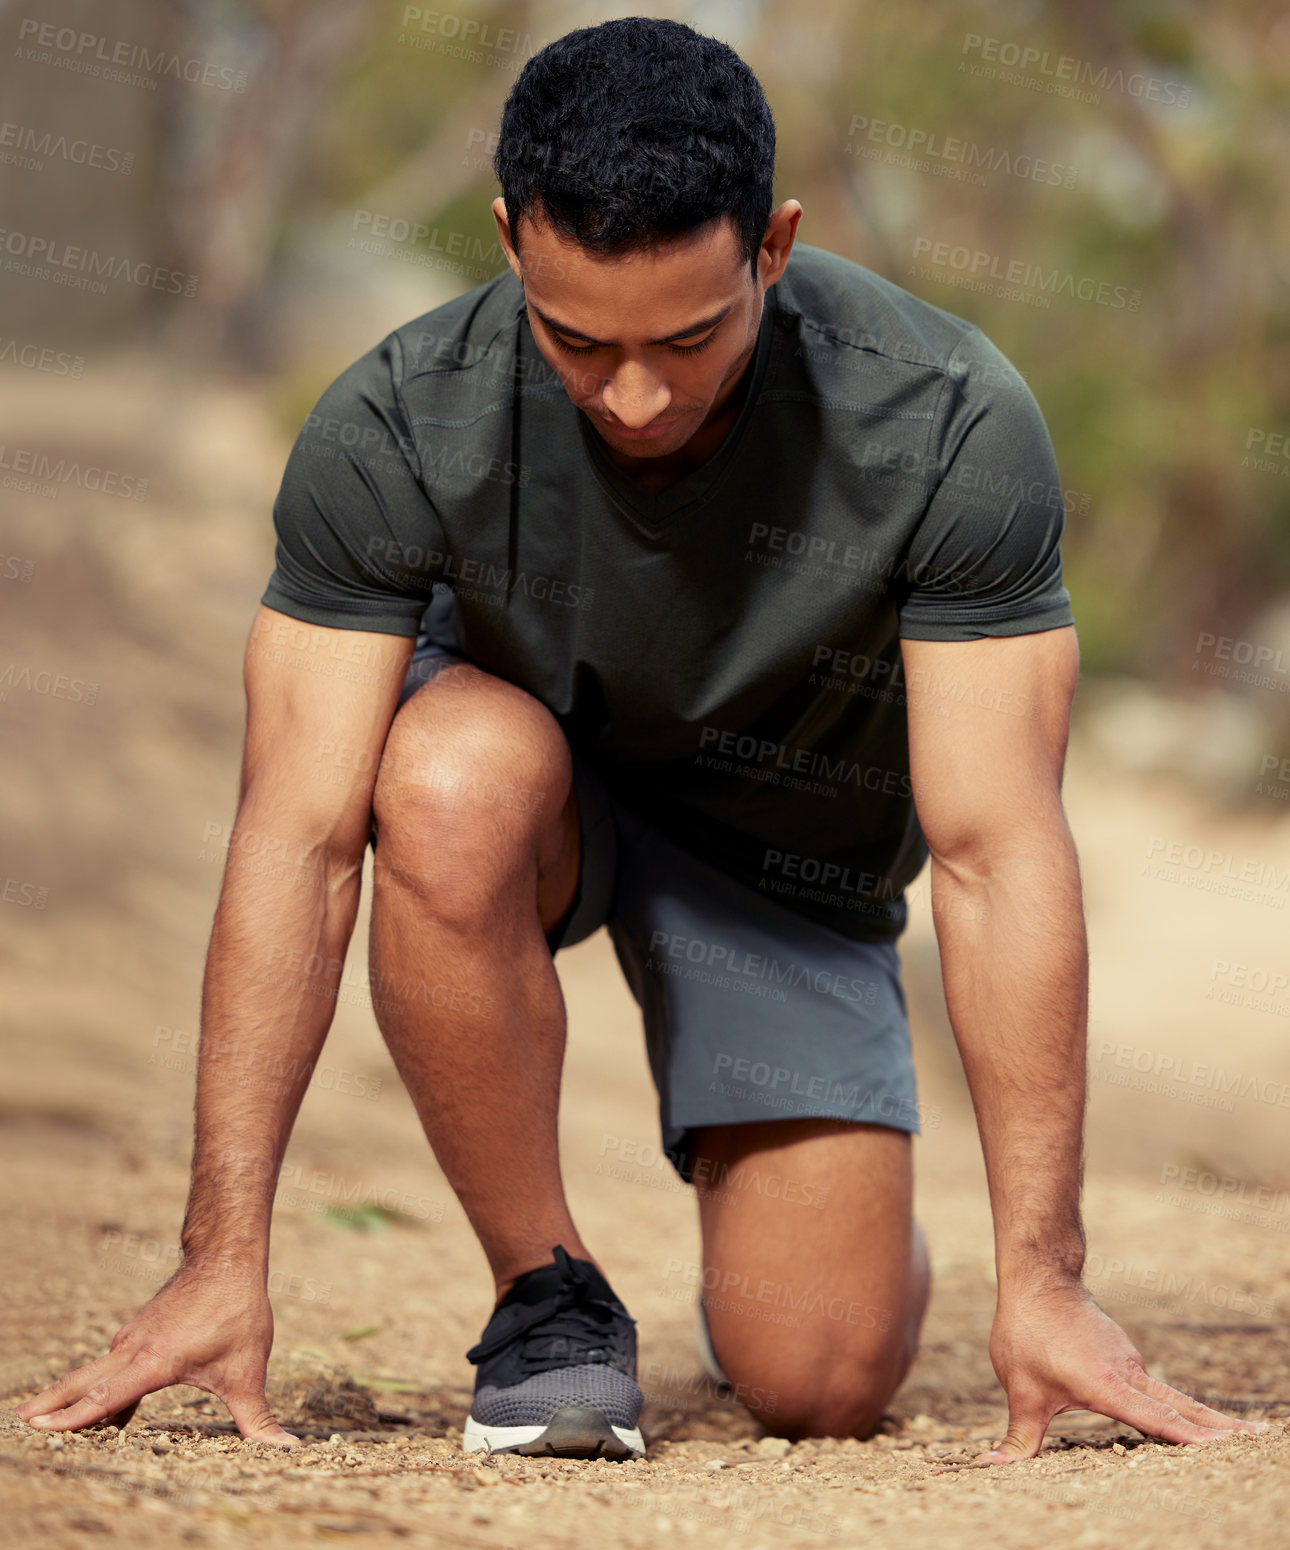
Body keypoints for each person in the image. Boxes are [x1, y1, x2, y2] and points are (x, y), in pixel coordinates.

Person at [14, 16, 1264, 1463]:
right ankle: (546, 1293)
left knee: (820, 1371)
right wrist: (218, 1252)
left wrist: (1045, 1275)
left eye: (689, 336)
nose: (633, 395)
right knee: (445, 773)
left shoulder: (947, 418)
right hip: (524, 793)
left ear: (773, 247)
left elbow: (992, 853)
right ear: (506, 241)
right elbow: (294, 835)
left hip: (785, 865)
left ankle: (845, 1215)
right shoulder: (393, 424)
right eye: (575, 339)